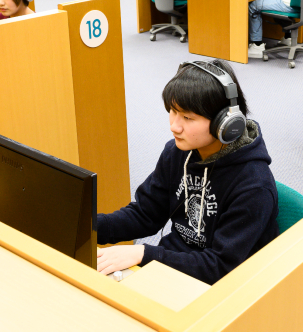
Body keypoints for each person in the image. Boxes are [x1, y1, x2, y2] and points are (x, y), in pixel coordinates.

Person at [96, 59, 279, 284]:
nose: (174, 125)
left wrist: (145, 254)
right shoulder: (178, 152)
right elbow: (146, 214)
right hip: (171, 266)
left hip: (223, 287)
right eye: (172, 112)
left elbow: (221, 266)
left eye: (187, 118)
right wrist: (91, 228)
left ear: (226, 124)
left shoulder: (254, 186)